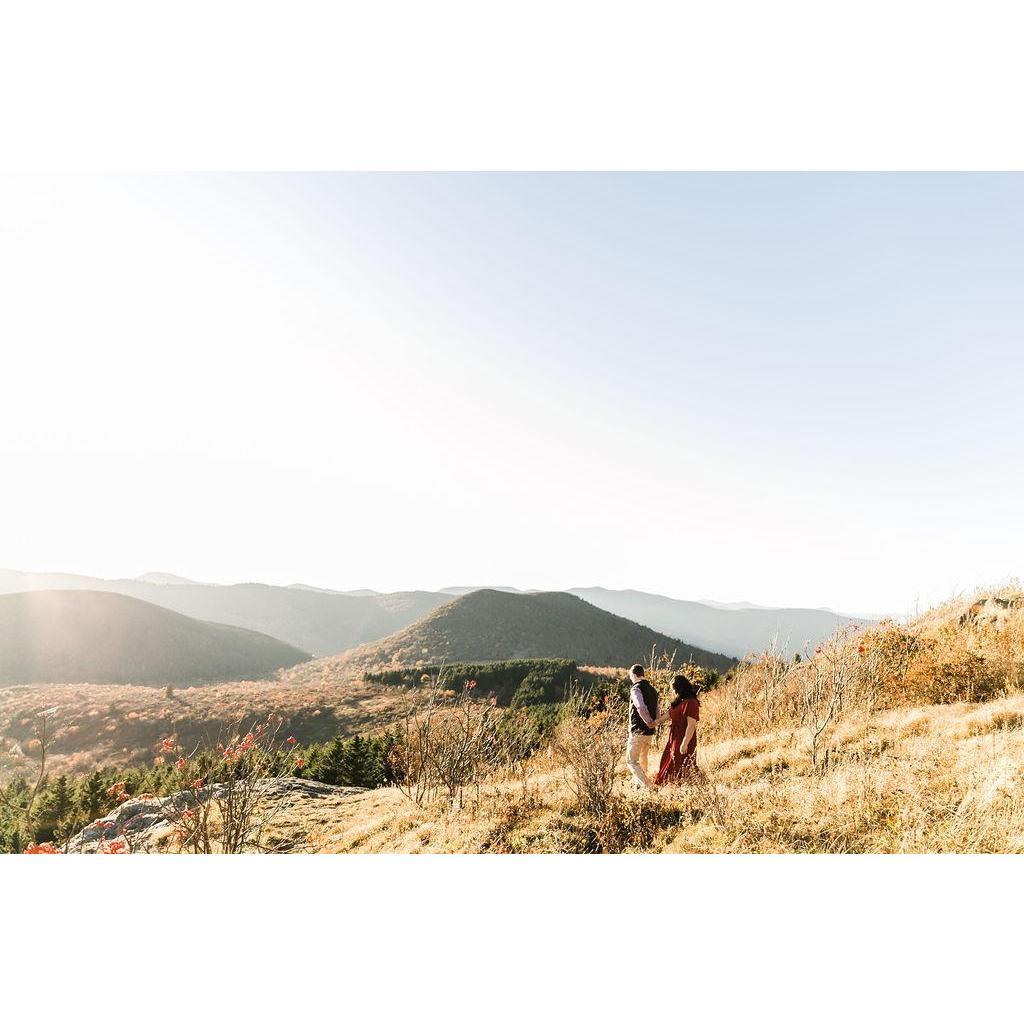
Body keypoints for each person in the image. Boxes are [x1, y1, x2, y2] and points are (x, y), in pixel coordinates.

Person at [655, 674, 702, 786]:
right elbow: (669, 714)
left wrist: (685, 743)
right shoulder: (680, 701)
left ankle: (680, 786)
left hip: (684, 737)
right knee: (668, 760)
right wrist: (655, 722)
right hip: (674, 737)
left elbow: (691, 725)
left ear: (679, 688)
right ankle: (668, 786)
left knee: (678, 762)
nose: (673, 692)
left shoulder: (691, 702)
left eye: (674, 689)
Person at [626, 663, 659, 788]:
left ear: (634, 675)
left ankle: (648, 786)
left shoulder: (636, 688)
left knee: (631, 760)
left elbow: (640, 706)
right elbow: (657, 709)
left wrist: (647, 721)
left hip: (638, 730)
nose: (631, 679)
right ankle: (637, 786)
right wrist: (654, 722)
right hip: (649, 732)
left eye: (630, 676)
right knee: (643, 757)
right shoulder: (653, 689)